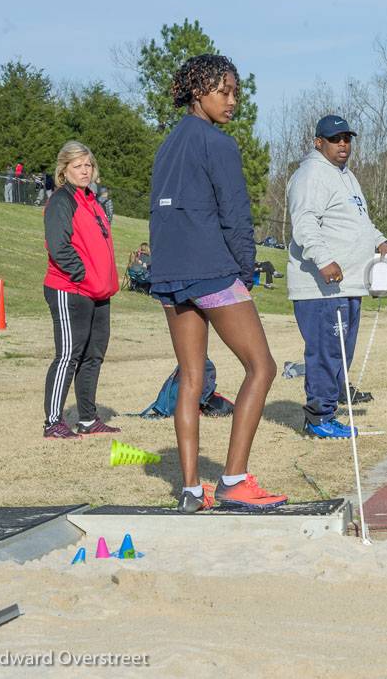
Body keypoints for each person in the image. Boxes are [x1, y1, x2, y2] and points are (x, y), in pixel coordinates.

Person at [149, 53, 285, 512]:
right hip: (211, 269)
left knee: (190, 377)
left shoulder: (167, 144)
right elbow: (236, 216)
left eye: (236, 94)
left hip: (169, 271)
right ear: (197, 91)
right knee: (261, 367)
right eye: (223, 92)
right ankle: (233, 480)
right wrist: (244, 273)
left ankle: (191, 490)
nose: (232, 101)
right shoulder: (218, 143)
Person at [287, 114, 387, 439]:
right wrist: (324, 259)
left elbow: (359, 221)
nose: (343, 144)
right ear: (319, 142)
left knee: (341, 353)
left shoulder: (346, 176)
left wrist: (379, 240)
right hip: (322, 288)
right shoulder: (311, 175)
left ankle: (327, 412)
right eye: (335, 139)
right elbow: (304, 223)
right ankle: (318, 418)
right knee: (327, 352)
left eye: (347, 138)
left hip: (349, 284)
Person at [42, 141, 121, 439]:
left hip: (98, 293)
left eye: (88, 164)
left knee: (93, 354)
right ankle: (53, 422)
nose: (85, 170)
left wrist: (102, 281)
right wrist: (84, 275)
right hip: (70, 289)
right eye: (77, 166)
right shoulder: (62, 200)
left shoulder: (93, 200)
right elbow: (59, 247)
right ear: (64, 170)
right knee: (68, 355)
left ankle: (87, 418)